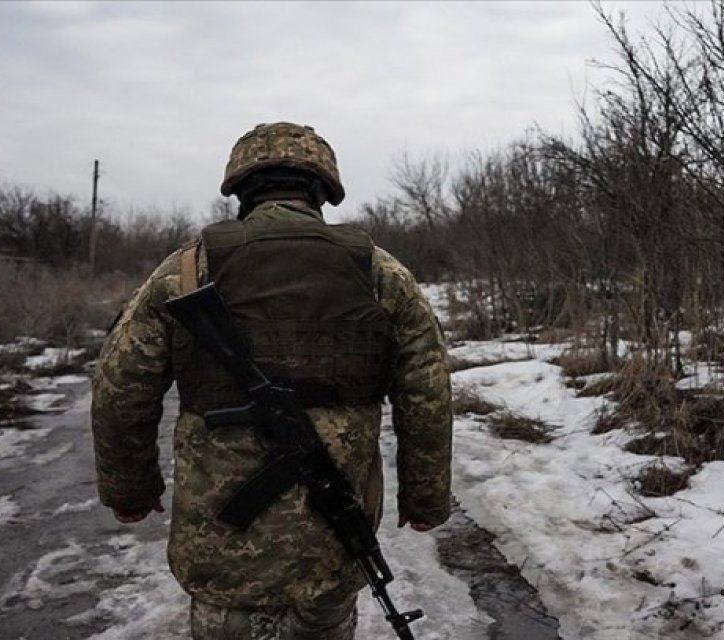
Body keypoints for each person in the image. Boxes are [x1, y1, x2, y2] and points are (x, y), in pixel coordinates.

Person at [90, 122, 452, 640]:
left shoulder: (185, 271)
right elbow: (428, 395)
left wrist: (129, 490)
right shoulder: (380, 273)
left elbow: (120, 390)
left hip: (221, 552)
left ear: (241, 190)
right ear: (322, 191)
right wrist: (426, 499)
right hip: (330, 545)